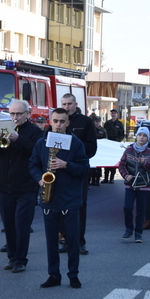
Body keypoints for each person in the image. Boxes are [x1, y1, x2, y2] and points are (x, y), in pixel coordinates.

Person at [29, 108, 89, 289]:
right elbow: (33, 164)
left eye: (62, 121)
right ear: (50, 121)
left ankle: (73, 275)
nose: (58, 125)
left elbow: (84, 168)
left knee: (72, 239)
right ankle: (53, 274)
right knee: (51, 240)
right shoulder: (42, 142)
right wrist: (40, 179)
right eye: (55, 121)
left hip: (70, 198)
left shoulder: (76, 143)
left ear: (67, 123)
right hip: (50, 197)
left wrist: (66, 165)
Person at [0, 100, 42, 273]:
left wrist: (19, 139)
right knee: (8, 225)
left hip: (25, 186)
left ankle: (21, 259)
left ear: (27, 114)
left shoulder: (35, 131)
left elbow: (38, 152)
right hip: (4, 185)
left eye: (18, 114)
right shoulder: (3, 127)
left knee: (22, 225)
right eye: (12, 113)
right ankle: (12, 257)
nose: (15, 117)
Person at [61, 94, 96, 255]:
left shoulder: (85, 121)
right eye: (64, 104)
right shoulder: (57, 120)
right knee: (61, 206)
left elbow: (92, 147)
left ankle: (80, 242)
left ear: (75, 104)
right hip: (60, 170)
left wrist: (74, 147)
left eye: (69, 104)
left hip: (78, 169)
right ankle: (64, 240)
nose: (67, 107)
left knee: (79, 206)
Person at [119, 126, 150, 242]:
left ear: (148, 138)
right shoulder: (128, 150)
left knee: (141, 211)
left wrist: (145, 163)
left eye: (145, 136)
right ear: (136, 137)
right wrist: (126, 175)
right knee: (127, 208)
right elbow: (121, 165)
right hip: (130, 184)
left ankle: (138, 233)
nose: (142, 138)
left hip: (144, 186)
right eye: (140, 135)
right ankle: (129, 229)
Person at [103, 109, 126, 183]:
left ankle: (112, 178)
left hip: (115, 144)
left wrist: (117, 141)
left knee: (113, 161)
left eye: (114, 113)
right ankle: (106, 178)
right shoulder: (107, 123)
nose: (113, 114)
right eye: (112, 113)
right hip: (108, 144)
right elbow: (104, 133)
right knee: (107, 161)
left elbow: (122, 134)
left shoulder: (119, 124)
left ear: (117, 114)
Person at [90, 115, 107, 186]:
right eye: (96, 121)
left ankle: (97, 180)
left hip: (100, 150)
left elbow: (105, 139)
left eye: (98, 121)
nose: (97, 123)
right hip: (92, 149)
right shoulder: (91, 129)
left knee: (99, 166)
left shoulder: (103, 130)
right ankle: (92, 180)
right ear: (94, 122)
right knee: (92, 166)